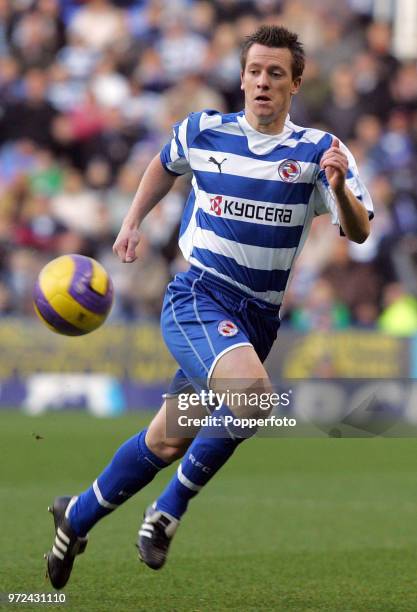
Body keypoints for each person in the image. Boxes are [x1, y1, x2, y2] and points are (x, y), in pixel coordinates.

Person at [45, 25, 373, 588]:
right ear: (241, 78)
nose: (263, 82)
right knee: (250, 399)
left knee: (169, 438)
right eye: (254, 72)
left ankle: (75, 517)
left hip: (256, 319)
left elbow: (360, 231)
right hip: (198, 296)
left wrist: (339, 187)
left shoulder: (321, 153)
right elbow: (164, 165)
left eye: (275, 73)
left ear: (296, 83)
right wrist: (131, 222)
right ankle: (166, 514)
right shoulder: (205, 131)